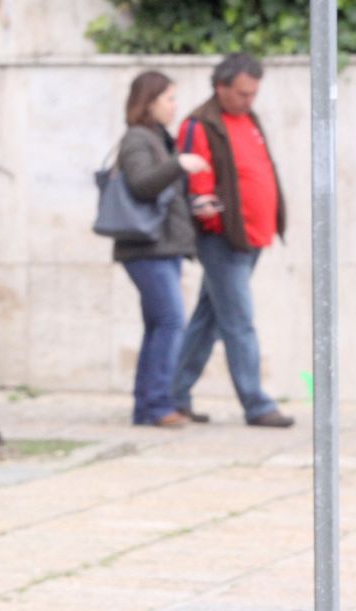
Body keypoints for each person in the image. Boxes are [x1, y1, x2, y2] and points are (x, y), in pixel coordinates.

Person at [173, 53, 295, 428]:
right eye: (242, 93)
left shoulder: (248, 119)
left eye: (253, 94)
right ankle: (256, 404)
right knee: (239, 321)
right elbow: (196, 182)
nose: (248, 100)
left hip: (252, 238)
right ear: (220, 87)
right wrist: (213, 218)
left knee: (207, 321)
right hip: (223, 240)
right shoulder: (199, 124)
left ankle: (172, 394)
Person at [111, 71, 209, 428]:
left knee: (159, 325)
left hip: (162, 247)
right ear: (148, 101)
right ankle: (157, 404)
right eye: (168, 98)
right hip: (146, 248)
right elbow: (141, 185)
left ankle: (148, 407)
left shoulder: (157, 137)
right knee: (170, 323)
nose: (174, 106)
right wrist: (178, 163)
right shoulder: (138, 138)